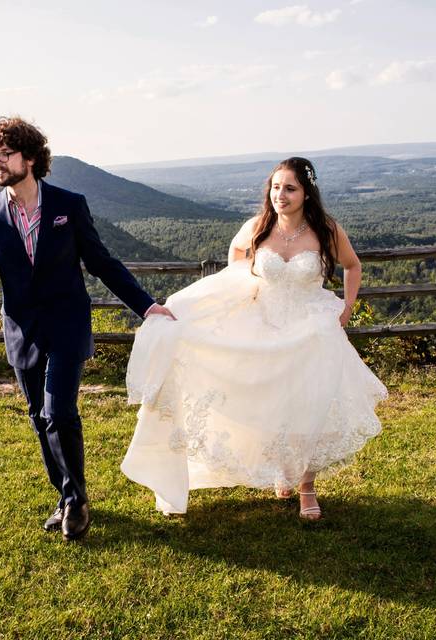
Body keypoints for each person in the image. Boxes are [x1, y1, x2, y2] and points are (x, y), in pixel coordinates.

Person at [121, 157, 387, 519]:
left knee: (309, 407)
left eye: (290, 188)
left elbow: (352, 265)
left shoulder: (325, 230)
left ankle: (306, 488)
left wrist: (348, 307)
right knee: (274, 404)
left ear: (307, 193)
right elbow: (236, 258)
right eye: (276, 187)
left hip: (311, 330)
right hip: (265, 325)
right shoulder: (258, 226)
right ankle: (283, 472)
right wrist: (244, 289)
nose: (281, 195)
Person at [0, 116, 174, 541]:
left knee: (58, 411)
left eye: (5, 154)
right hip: (21, 333)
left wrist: (145, 305)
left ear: (32, 157)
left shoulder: (68, 205)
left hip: (67, 326)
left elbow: (100, 261)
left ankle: (77, 502)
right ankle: (65, 495)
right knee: (38, 418)